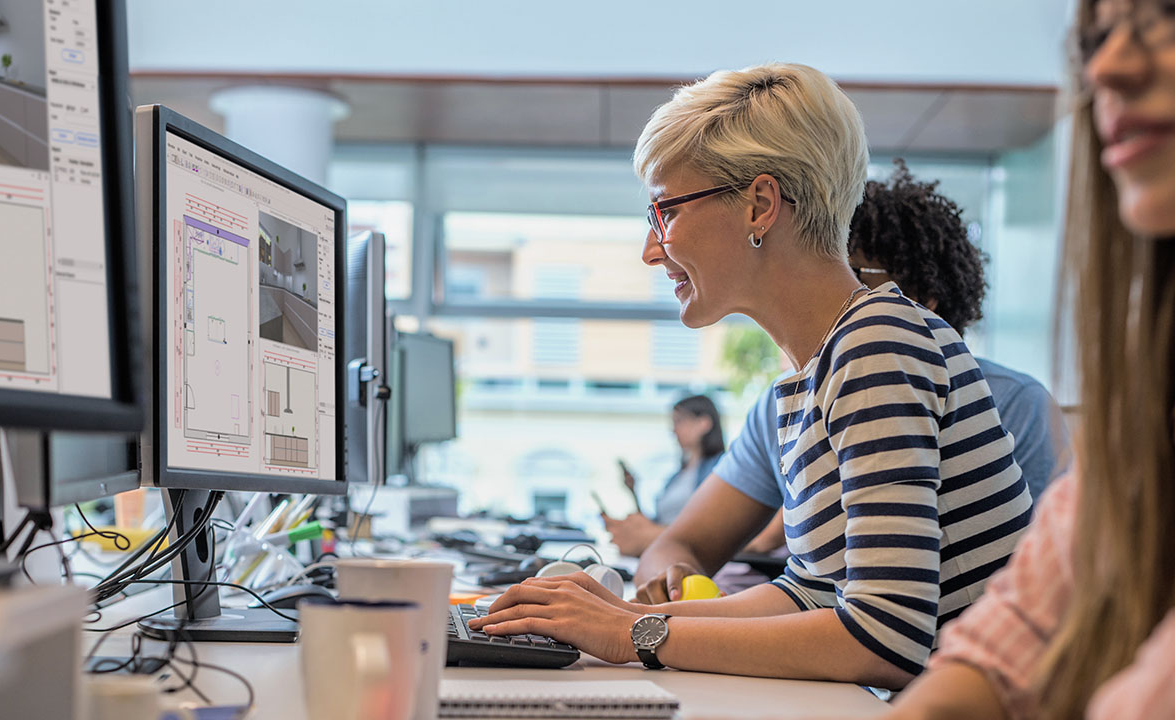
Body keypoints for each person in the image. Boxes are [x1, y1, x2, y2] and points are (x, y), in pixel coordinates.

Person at [469, 63, 1031, 689]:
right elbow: (809, 593)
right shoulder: (813, 369)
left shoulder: (876, 344)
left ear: (760, 205)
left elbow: (885, 636)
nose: (652, 249)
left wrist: (632, 635)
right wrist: (623, 615)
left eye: (665, 212)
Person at [866, 1, 1175, 717]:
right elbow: (1009, 641)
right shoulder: (1145, 404)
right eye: (1094, 36)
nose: (1107, 66)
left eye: (1165, 12)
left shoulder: (1008, 396)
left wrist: (648, 632)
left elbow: (883, 629)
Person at [632, 162, 1074, 599]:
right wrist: (673, 599)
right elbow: (812, 593)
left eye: (854, 275)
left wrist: (643, 630)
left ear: (919, 298)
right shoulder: (787, 402)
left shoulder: (1008, 400)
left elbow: (892, 624)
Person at [604, 395, 725, 557]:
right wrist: (634, 491)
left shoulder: (720, 468)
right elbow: (657, 525)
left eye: (679, 421)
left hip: (688, 554)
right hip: (664, 552)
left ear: (704, 423)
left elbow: (712, 526)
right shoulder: (677, 476)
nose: (673, 430)